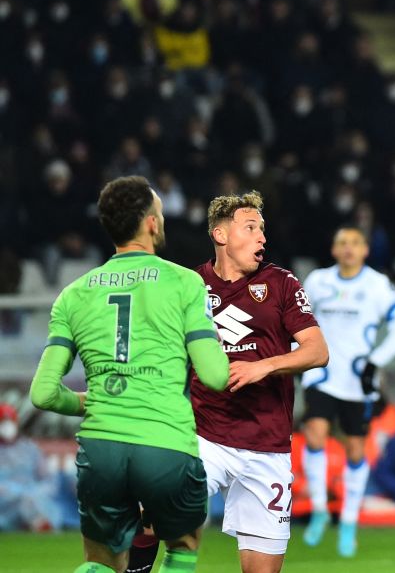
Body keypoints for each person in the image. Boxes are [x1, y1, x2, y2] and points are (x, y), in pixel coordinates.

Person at [30, 175, 231, 573]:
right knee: (183, 541)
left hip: (101, 447)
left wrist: (88, 401)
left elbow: (43, 395)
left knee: (102, 561)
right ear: (152, 222)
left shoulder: (73, 294)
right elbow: (215, 375)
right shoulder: (185, 283)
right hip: (165, 443)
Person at [130, 190, 330, 573]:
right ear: (221, 236)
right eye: (251, 228)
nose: (262, 238)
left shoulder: (283, 284)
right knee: (150, 513)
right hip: (204, 437)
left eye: (263, 230)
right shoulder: (188, 288)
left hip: (267, 446)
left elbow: (317, 351)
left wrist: (263, 367)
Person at [300, 226, 395, 555]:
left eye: (355, 243)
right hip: (321, 375)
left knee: (355, 451)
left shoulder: (377, 285)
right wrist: (299, 357)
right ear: (333, 250)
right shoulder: (318, 281)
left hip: (357, 380)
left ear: (365, 250)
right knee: (316, 434)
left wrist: (374, 361)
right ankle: (320, 510)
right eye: (342, 243)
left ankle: (348, 521)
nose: (348, 248)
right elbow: (299, 323)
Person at [0, 403, 65, 533]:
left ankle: (39, 523)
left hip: (33, 499)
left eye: (9, 422)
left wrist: (36, 491)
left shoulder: (30, 449)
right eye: (2, 422)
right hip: (5, 504)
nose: (7, 427)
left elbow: (49, 480)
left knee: (33, 502)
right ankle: (36, 523)